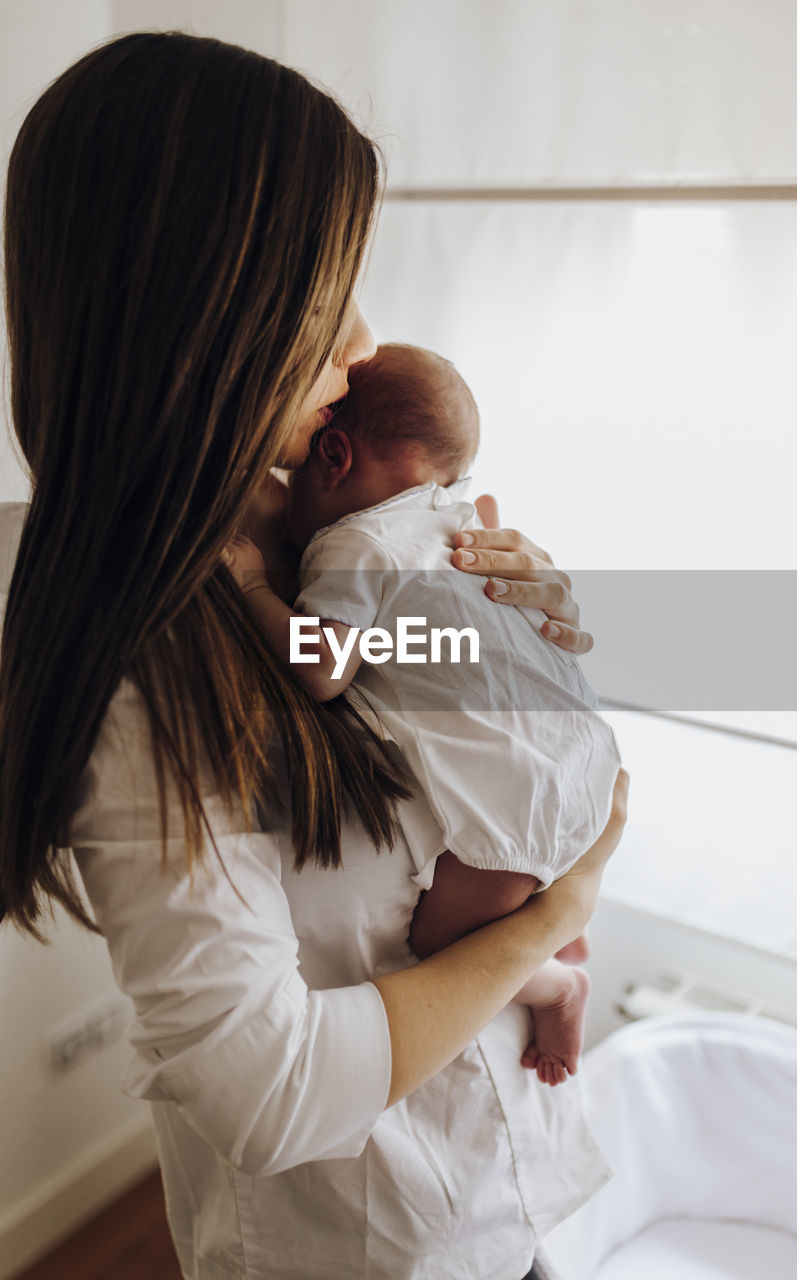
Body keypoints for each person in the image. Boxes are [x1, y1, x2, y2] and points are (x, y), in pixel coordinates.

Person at [0, 32, 629, 1280]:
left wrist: (506, 636)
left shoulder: (322, 521)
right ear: (202, 319)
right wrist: (554, 922)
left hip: (501, 1185)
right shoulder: (138, 645)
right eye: (327, 292)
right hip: (364, 1243)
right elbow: (269, 1088)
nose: (364, 337)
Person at [226, 341, 621, 1087]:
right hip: (580, 762)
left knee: (448, 952)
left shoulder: (356, 542)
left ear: (333, 456)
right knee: (517, 901)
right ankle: (559, 932)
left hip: (512, 807)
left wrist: (252, 590)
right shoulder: (457, 527)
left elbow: (321, 671)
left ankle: (557, 986)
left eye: (297, 469)